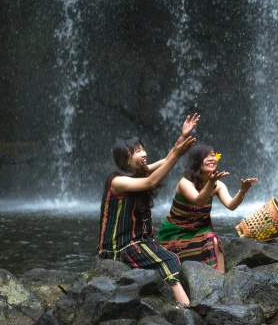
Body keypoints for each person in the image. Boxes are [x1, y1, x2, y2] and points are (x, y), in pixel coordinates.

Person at [97, 114, 200, 307]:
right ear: (125, 160)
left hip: (135, 242)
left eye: (142, 149)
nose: (143, 154)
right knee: (168, 259)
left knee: (173, 253)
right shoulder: (117, 181)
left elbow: (165, 161)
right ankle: (186, 308)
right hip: (118, 249)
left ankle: (172, 301)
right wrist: (177, 153)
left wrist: (183, 137)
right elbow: (151, 181)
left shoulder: (137, 174)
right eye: (136, 152)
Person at [159, 144, 258, 273]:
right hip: (176, 232)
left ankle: (221, 279)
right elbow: (199, 200)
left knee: (213, 240)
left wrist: (242, 191)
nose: (211, 158)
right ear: (196, 162)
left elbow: (231, 205)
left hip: (199, 230)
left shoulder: (218, 185)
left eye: (212, 155)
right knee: (210, 238)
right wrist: (211, 182)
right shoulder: (185, 183)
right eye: (206, 156)